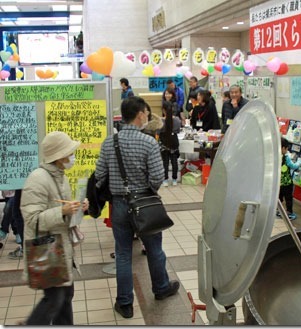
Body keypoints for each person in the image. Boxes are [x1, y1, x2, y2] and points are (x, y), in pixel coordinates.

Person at [95, 96, 179, 319]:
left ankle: (124, 303)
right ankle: (161, 288)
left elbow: (100, 175)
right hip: (145, 205)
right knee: (154, 249)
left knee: (123, 253)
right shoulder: (148, 142)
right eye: (146, 113)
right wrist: (146, 188)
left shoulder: (108, 142)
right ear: (141, 114)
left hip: (119, 205)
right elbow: (157, 177)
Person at [20, 131, 88, 325]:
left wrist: (76, 208)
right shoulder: (38, 179)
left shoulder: (60, 176)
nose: (73, 156)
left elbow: (62, 211)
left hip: (60, 248)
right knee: (55, 299)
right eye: (70, 152)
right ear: (59, 156)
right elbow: (32, 218)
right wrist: (62, 211)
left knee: (65, 296)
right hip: (47, 250)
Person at [278, 138, 301, 220]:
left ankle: (279, 210)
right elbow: (294, 166)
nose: (287, 150)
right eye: (286, 149)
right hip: (287, 183)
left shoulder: (276, 157)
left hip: (279, 183)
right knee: (288, 198)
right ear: (283, 148)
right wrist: (300, 161)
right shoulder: (286, 158)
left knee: (279, 198)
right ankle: (289, 212)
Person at [159, 100, 181, 187]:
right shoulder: (177, 120)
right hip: (174, 143)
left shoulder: (160, 121)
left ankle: (165, 180)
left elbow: (158, 131)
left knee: (165, 163)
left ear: (163, 110)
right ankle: (175, 180)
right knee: (174, 162)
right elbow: (178, 130)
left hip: (164, 143)